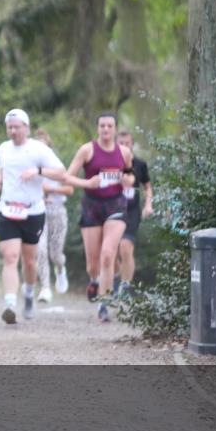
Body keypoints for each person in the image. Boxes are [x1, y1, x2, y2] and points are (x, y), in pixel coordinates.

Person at [0, 109, 67, 324]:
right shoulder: (3, 149)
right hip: (7, 210)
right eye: (9, 127)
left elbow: (62, 172)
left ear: (26, 128)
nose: (12, 131)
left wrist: (38, 172)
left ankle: (29, 294)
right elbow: (2, 169)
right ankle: (10, 304)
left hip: (33, 211)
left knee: (30, 262)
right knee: (10, 257)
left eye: (16, 127)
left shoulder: (38, 149)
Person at [64, 112, 135, 322]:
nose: (106, 129)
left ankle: (104, 303)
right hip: (91, 207)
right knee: (93, 264)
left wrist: (128, 180)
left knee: (107, 254)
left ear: (114, 129)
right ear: (98, 128)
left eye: (109, 126)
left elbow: (130, 174)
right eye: (102, 126)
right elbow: (67, 177)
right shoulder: (87, 150)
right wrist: (87, 183)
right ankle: (94, 279)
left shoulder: (124, 153)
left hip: (116, 205)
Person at [33, 129, 73, 303]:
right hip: (38, 211)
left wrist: (51, 189)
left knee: (55, 253)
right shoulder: (30, 168)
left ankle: (60, 267)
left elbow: (70, 189)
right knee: (40, 250)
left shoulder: (57, 167)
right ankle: (45, 288)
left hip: (57, 210)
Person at [114, 130, 153, 297]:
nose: (123, 146)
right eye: (120, 143)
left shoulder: (140, 164)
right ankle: (115, 278)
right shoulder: (109, 163)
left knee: (126, 247)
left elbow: (147, 187)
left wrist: (148, 204)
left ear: (132, 144)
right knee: (112, 251)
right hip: (111, 210)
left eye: (126, 143)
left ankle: (126, 286)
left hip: (131, 211)